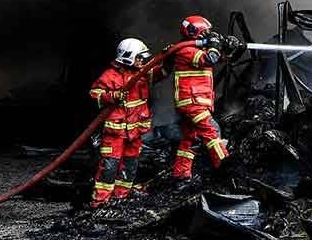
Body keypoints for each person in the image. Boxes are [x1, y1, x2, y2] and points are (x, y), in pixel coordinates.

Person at [88, 37, 165, 207]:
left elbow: (161, 72)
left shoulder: (144, 74)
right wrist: (111, 96)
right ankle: (100, 202)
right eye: (140, 57)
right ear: (127, 57)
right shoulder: (110, 76)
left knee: (129, 166)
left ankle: (120, 198)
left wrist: (171, 59)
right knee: (109, 167)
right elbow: (94, 94)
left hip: (135, 133)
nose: (143, 61)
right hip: (115, 133)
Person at [168, 15, 231, 181]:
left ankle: (180, 175)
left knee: (191, 138)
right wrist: (215, 45)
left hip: (194, 102)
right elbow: (210, 59)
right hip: (193, 102)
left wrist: (229, 47)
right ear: (196, 32)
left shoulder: (197, 50)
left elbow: (220, 58)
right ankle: (225, 167)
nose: (209, 34)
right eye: (207, 31)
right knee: (212, 131)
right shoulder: (186, 51)